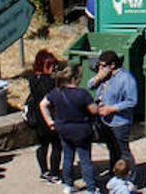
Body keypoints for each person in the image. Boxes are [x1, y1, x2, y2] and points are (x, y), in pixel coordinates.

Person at [40, 64, 99, 194]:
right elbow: (93, 110)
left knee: (67, 158)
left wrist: (50, 121)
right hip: (81, 131)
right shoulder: (83, 94)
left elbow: (43, 104)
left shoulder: (56, 92)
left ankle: (68, 185)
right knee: (85, 161)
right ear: (75, 78)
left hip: (63, 130)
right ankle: (90, 188)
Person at [89, 50, 139, 176]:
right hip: (105, 121)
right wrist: (98, 77)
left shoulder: (126, 79)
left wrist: (111, 108)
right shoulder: (103, 75)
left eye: (103, 65)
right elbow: (90, 86)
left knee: (123, 152)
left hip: (119, 122)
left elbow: (131, 101)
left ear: (112, 65)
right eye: (99, 65)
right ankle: (115, 172)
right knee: (112, 149)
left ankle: (130, 177)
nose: (100, 68)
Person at [26, 49, 62, 182]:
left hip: (37, 117)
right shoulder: (50, 82)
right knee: (57, 146)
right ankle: (54, 172)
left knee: (43, 145)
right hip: (50, 117)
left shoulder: (33, 79)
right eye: (52, 65)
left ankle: (44, 170)